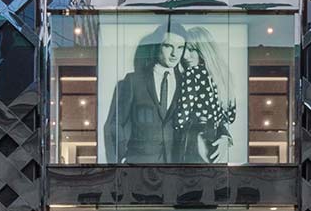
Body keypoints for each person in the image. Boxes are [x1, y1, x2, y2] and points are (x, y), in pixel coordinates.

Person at [103, 30, 188, 163]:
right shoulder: (134, 81)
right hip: (139, 167)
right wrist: (121, 158)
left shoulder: (186, 82)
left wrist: (224, 135)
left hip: (175, 167)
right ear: (157, 47)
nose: (174, 54)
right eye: (168, 46)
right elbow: (114, 124)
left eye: (180, 47)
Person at [169, 24, 240, 164]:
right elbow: (230, 117)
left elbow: (180, 120)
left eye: (192, 50)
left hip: (193, 143)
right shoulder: (223, 77)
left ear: (203, 50)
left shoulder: (192, 73)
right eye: (185, 49)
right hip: (213, 143)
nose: (185, 56)